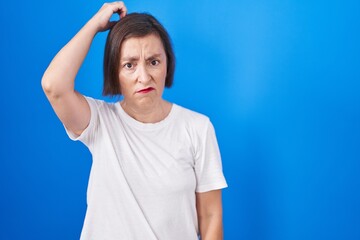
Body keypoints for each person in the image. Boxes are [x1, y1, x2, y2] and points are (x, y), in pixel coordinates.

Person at [41, 2, 227, 239]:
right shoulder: (99, 122)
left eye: (153, 62)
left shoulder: (197, 128)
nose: (144, 76)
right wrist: (94, 24)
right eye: (129, 65)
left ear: (167, 64)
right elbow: (54, 85)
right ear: (114, 73)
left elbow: (211, 216)